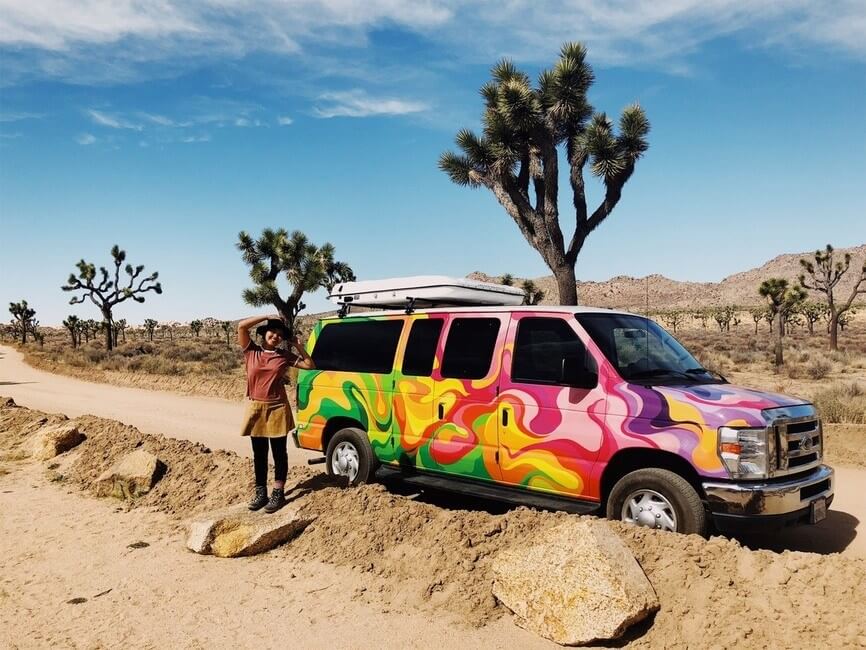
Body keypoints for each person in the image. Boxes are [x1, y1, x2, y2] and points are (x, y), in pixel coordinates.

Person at [237, 314, 315, 513]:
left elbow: (309, 365)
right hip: (256, 407)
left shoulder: (283, 355)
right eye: (272, 332)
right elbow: (242, 326)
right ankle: (260, 492)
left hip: (278, 407)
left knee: (279, 453)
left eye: (280, 335)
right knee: (259, 453)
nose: (276, 336)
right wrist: (266, 316)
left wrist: (298, 345)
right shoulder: (251, 350)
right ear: (264, 333)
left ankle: (278, 492)